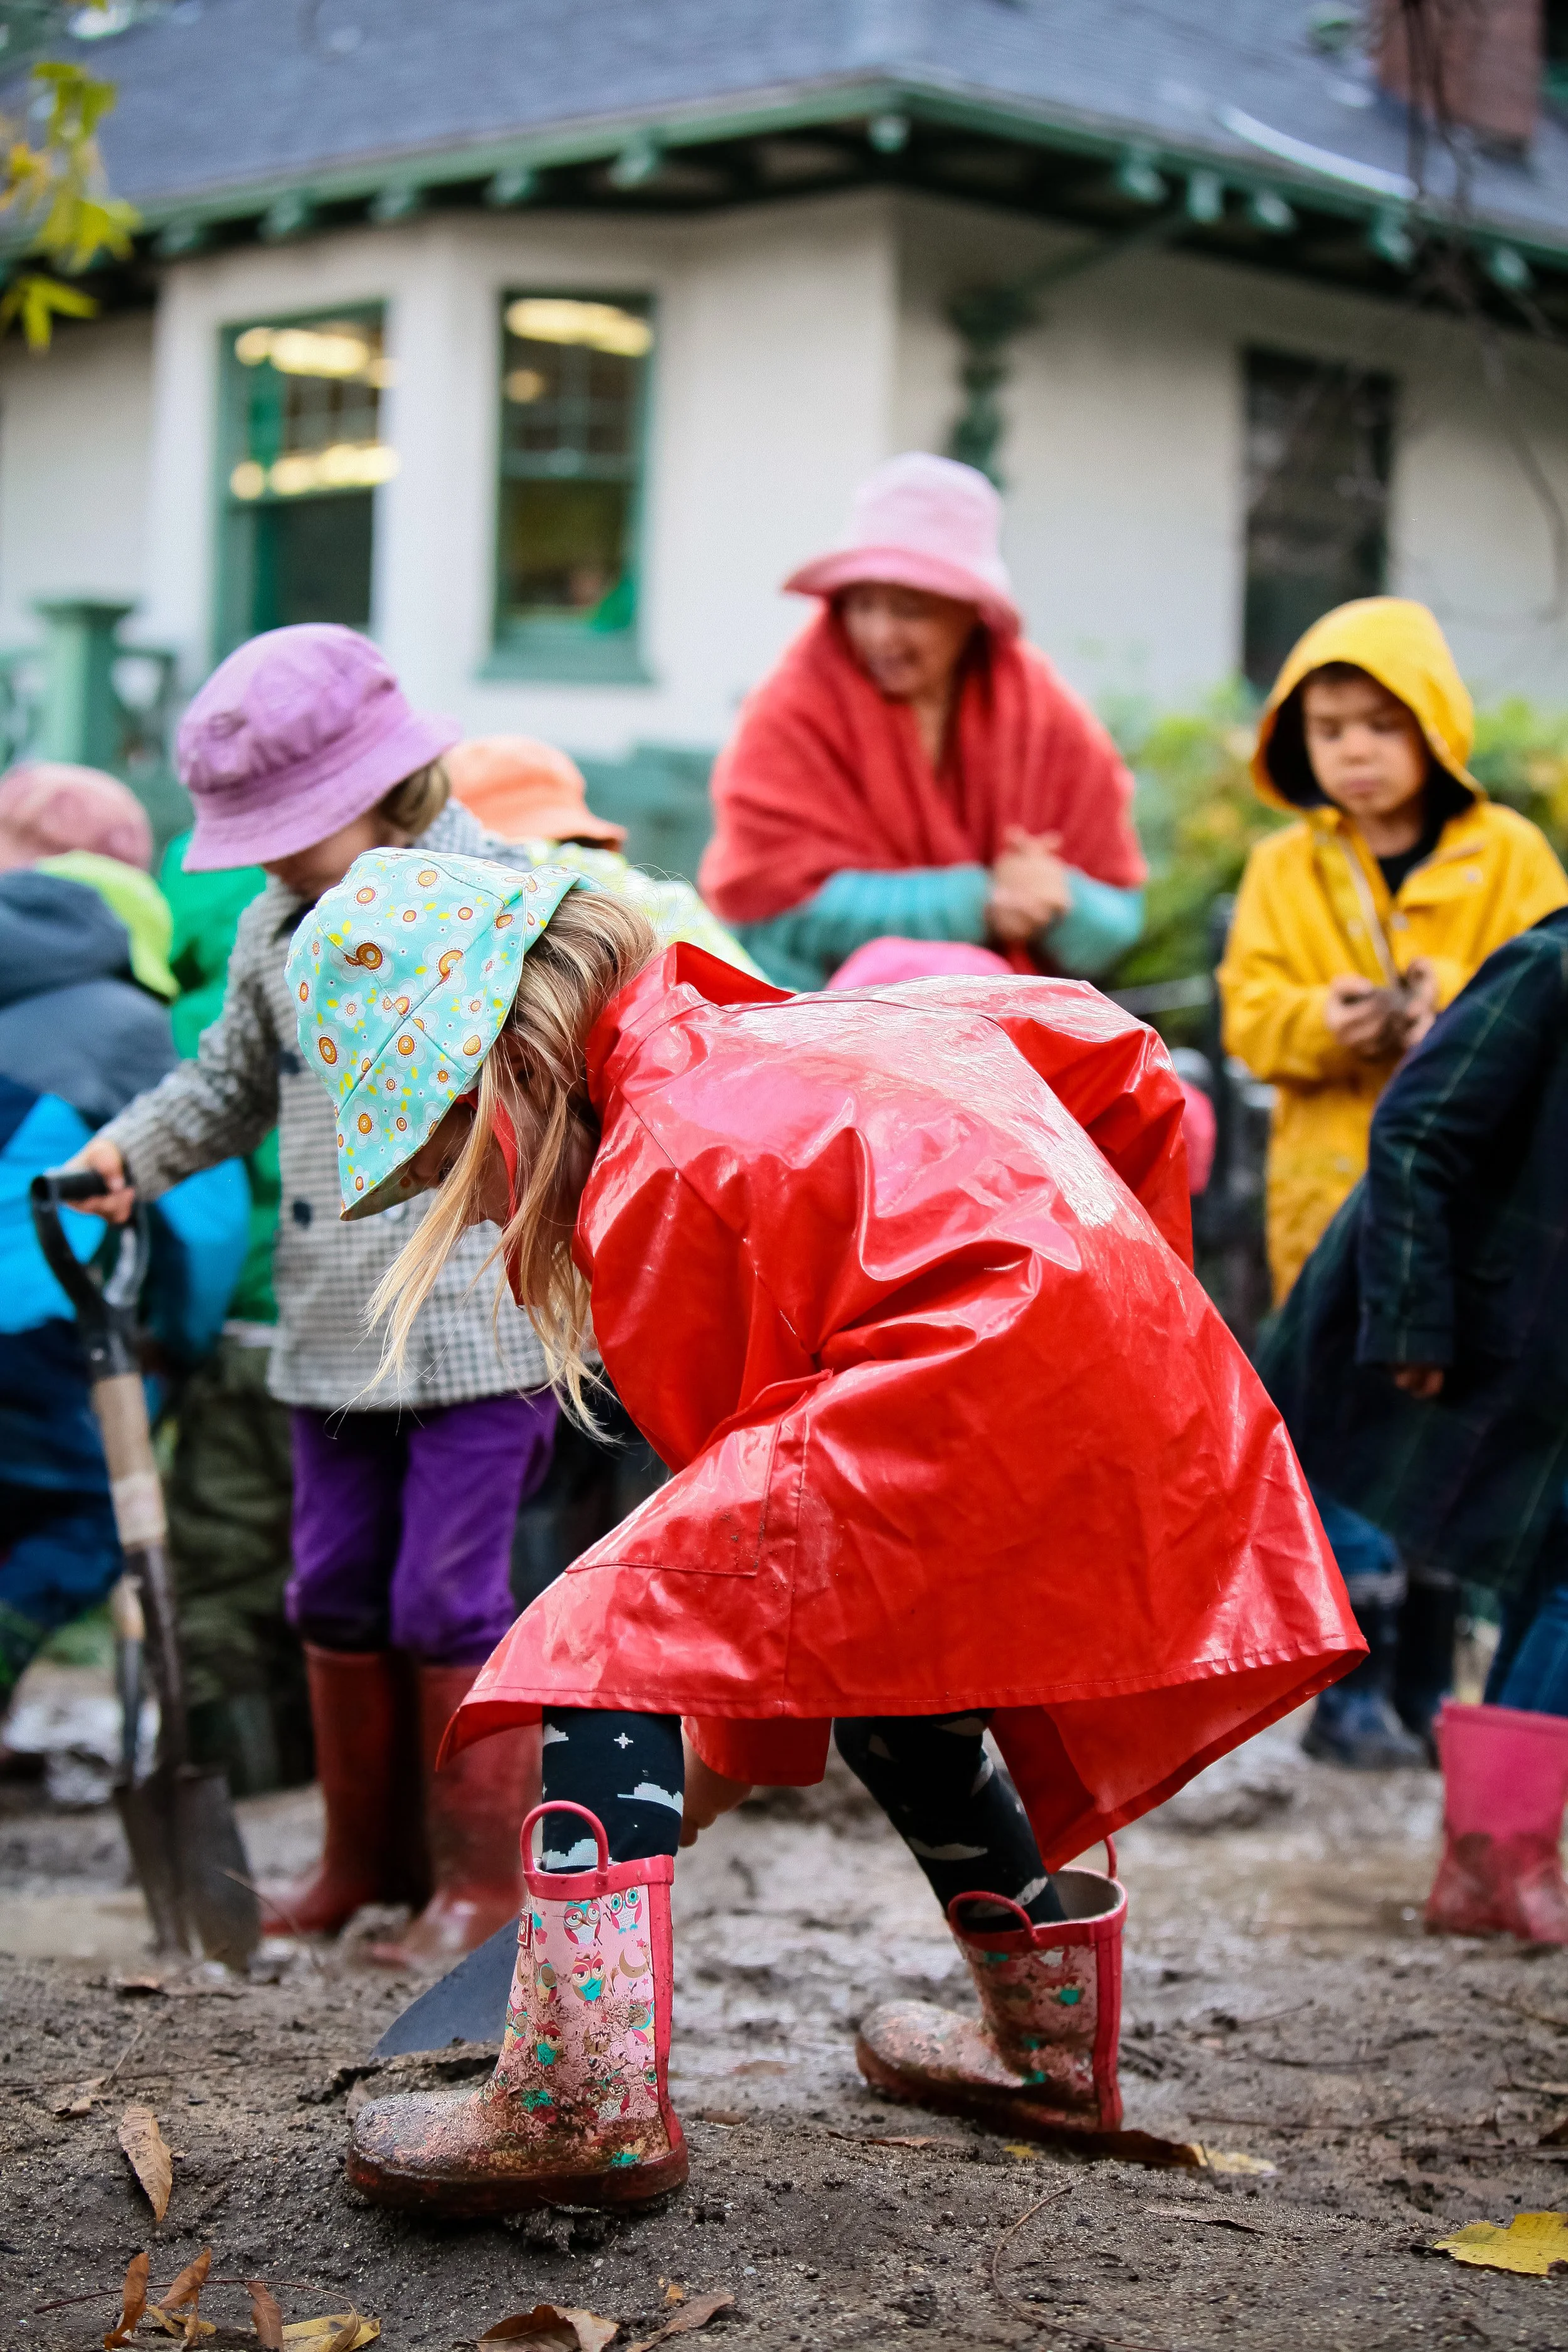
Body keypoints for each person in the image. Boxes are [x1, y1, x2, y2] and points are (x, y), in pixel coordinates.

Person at [283, 844, 1357, 2213]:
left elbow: (719, 1555)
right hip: (1108, 1357)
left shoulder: (660, 1165)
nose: (475, 1201)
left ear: (508, 1071)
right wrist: (1131, 1297)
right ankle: (1037, 2054)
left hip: (966, 1362)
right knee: (886, 1678)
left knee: (596, 1640)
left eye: (444, 1153)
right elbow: (1109, 1050)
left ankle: (581, 2102)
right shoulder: (773, 1037)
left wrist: (702, 1746)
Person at [1219, 597, 1568, 1769]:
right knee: (1346, 1441)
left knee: (1452, 1447)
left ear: (1436, 731)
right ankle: (1350, 1691)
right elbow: (1253, 1020)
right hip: (1331, 1201)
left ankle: (1426, 1680)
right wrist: (1332, 1019)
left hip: (1476, 1226)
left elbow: (1538, 1012)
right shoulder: (1288, 866)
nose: (1356, 751)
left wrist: (1445, 1007)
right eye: (1329, 729)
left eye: (1382, 724)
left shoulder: (1510, 856)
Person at [1256, 904, 1568, 1943]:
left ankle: (1499, 1856)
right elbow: (1417, 1129)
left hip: (1537, 1336)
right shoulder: (1551, 965)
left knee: (1548, 1572)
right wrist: (1412, 1319)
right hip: (1469, 1319)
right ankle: (1495, 1862)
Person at [697, 452, 1147, 993]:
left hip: (994, 1038)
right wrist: (978, 901)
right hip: (808, 1022)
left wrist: (1054, 898)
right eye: (861, 605)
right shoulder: (789, 707)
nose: (879, 634)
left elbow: (1122, 917)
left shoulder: (1047, 715)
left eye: (910, 610)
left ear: (971, 613)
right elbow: (769, 902)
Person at [0, 788, 247, 1752]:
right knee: (92, 1518)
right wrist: (177, 1346)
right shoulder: (124, 1026)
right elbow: (203, 1218)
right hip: (41, 1318)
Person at [156, 830, 303, 1796]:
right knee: (335, 1573)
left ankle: (234, 1778)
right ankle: (317, 1771)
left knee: (218, 1565)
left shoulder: (184, 1027)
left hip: (242, 1334)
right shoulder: (358, 973)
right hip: (365, 1340)